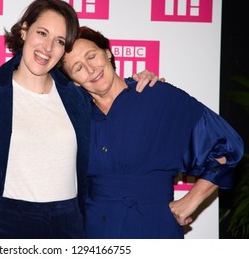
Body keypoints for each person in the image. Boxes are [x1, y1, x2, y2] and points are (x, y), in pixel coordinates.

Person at [0, 0, 157, 239]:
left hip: (68, 222)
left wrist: (144, 83)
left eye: (58, 41)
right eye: (42, 33)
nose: (47, 47)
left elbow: (111, 94)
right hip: (7, 222)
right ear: (25, 31)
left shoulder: (77, 95)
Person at [61, 26, 244, 239]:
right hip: (94, 231)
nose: (90, 69)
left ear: (107, 53)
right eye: (78, 68)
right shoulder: (74, 118)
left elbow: (228, 147)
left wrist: (190, 201)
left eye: (92, 56)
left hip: (153, 226)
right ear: (74, 80)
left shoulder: (158, 96)